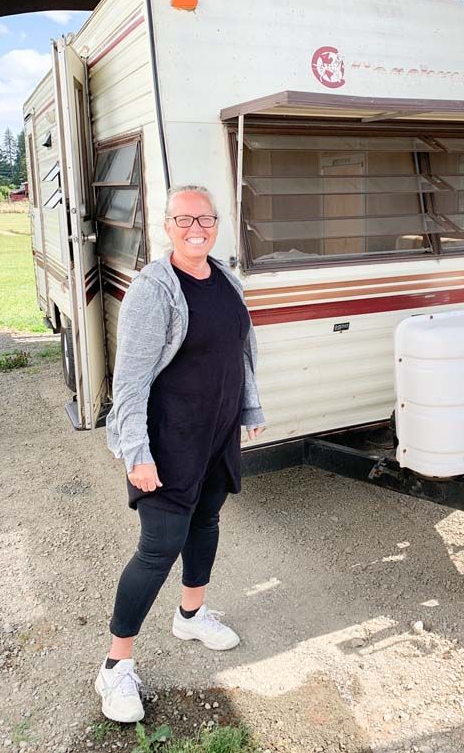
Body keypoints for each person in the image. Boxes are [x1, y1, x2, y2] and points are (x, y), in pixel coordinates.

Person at [96, 185, 266, 723]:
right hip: (167, 441)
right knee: (158, 547)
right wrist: (135, 452)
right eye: (184, 219)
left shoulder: (225, 280)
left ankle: (190, 613)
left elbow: (239, 351)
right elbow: (130, 382)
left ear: (217, 224)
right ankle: (114, 666)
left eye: (206, 218)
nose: (197, 227)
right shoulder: (155, 290)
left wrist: (250, 410)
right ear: (166, 225)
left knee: (207, 523)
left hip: (216, 436)